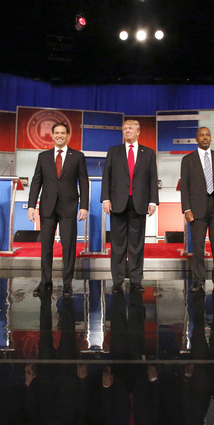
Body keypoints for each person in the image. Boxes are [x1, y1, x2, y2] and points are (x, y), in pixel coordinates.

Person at [27, 122, 89, 298]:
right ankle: (45, 281)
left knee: (68, 246)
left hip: (69, 207)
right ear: (52, 135)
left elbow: (83, 182)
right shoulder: (43, 156)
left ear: (68, 136)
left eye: (63, 133)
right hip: (47, 207)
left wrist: (83, 206)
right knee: (46, 245)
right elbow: (36, 182)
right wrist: (32, 205)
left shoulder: (77, 156)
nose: (60, 136)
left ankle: (67, 283)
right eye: (57, 133)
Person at [101, 119, 158, 294]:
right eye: (124, 128)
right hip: (117, 203)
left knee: (136, 245)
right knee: (118, 245)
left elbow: (152, 178)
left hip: (139, 203)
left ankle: (135, 280)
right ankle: (117, 281)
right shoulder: (114, 151)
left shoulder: (148, 153)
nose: (127, 131)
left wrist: (152, 201)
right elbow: (107, 176)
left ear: (138, 131)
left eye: (130, 128)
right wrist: (105, 199)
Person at [180, 126, 214, 294]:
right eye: (201, 135)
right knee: (197, 247)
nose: (205, 138)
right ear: (196, 139)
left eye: (207, 135)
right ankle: (198, 280)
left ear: (211, 138)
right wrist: (187, 209)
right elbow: (185, 187)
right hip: (197, 209)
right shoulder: (188, 160)